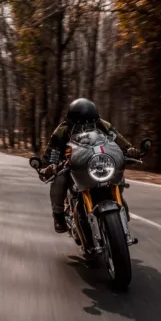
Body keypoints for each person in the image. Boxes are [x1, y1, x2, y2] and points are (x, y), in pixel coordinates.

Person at [41, 98, 140, 233]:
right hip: (73, 165)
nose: (85, 129)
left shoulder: (103, 125)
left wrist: (130, 150)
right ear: (69, 122)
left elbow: (118, 139)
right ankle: (58, 215)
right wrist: (50, 166)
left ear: (96, 120)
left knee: (115, 172)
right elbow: (52, 152)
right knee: (59, 178)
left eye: (89, 126)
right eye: (79, 126)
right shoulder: (61, 131)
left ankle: (119, 199)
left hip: (95, 161)